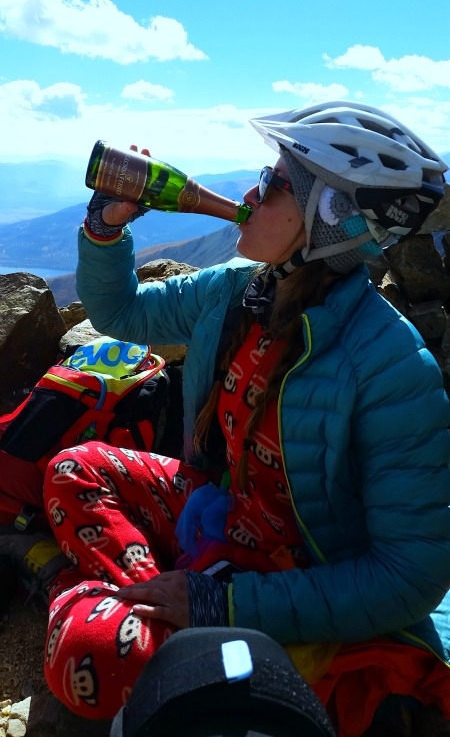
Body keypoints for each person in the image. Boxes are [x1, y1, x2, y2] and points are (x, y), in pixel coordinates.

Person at [2, 102, 450, 736]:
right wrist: (107, 225)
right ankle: (161, 603)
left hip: (298, 572)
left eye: (273, 185)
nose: (249, 193)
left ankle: (130, 604)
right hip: (219, 513)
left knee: (90, 656)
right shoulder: (237, 290)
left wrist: (223, 600)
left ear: (331, 221)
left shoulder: (391, 366)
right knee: (73, 467)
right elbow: (121, 312)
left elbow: (409, 576)